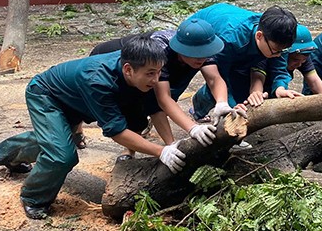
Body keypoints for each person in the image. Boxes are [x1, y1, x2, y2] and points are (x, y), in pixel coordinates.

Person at [0, 35, 213, 220]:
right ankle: (33, 198)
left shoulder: (139, 71)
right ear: (128, 70)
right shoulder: (98, 80)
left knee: (54, 140)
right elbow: (117, 133)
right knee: (62, 155)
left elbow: (155, 108)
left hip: (76, 99)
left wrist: (171, 143)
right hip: (47, 95)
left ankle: (4, 153)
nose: (157, 79)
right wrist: (161, 151)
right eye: (151, 74)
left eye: (159, 72)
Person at [79, 19, 232, 156]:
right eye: (196, 54)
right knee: (128, 104)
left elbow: (214, 79)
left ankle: (159, 143)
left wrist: (222, 103)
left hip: (153, 69)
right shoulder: (160, 53)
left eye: (205, 54)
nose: (202, 58)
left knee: (150, 101)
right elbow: (162, 100)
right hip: (113, 60)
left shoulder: (202, 46)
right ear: (181, 49)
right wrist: (192, 128)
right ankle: (126, 147)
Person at [187, 4, 298, 119]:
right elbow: (219, 77)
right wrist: (231, 106)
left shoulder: (279, 34)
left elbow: (279, 68)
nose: (279, 55)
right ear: (259, 36)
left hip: (239, 36)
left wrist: (280, 88)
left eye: (282, 51)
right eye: (275, 51)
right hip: (201, 31)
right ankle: (198, 110)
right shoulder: (230, 39)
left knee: (245, 96)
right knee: (220, 88)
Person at [248, 25, 322, 103]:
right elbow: (257, 78)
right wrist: (256, 94)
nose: (299, 64)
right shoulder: (266, 53)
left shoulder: (302, 55)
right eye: (295, 60)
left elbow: (314, 80)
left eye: (303, 61)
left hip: (278, 89)